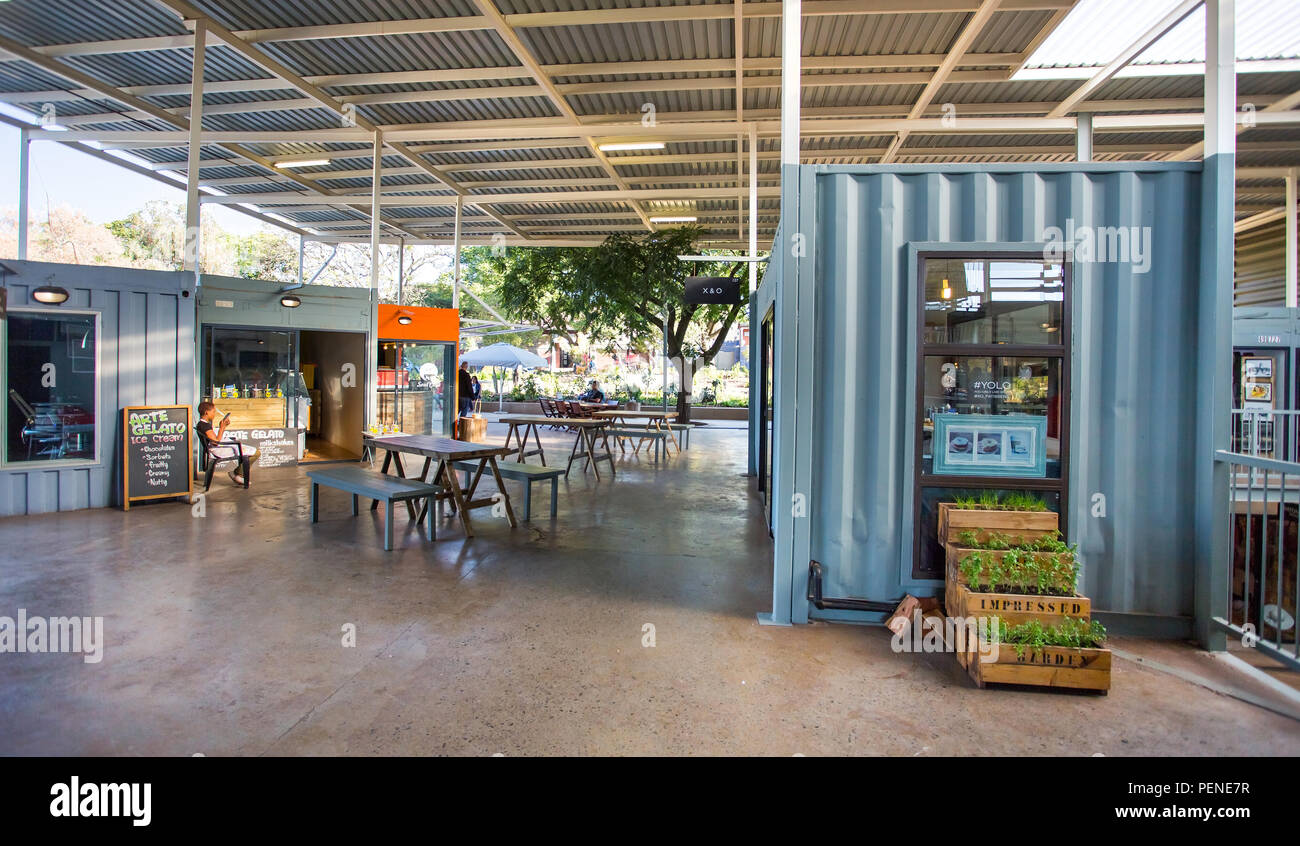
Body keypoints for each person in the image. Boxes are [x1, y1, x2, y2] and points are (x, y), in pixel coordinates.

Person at [196, 400, 258, 486]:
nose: (214, 414)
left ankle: (237, 473)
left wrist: (223, 426)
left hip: (216, 448)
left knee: (251, 451)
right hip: (219, 450)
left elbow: (214, 439)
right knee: (256, 453)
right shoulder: (204, 426)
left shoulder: (202, 424)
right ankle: (238, 474)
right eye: (213, 412)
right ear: (207, 412)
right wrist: (222, 428)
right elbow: (216, 442)